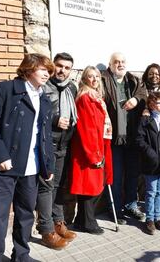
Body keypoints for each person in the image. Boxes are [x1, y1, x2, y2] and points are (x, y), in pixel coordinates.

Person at [0, 54, 55, 262]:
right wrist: (0, 155)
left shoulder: (45, 99)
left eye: (49, 70)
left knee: (26, 215)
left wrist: (48, 165)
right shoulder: (6, 89)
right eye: (43, 69)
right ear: (29, 69)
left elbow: (45, 136)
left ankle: (21, 255)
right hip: (4, 165)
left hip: (32, 167)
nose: (47, 73)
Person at [36, 52, 77, 250]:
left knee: (59, 185)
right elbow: (36, 111)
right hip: (47, 144)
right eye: (59, 66)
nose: (62, 70)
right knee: (46, 187)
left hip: (64, 144)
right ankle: (46, 230)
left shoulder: (72, 87)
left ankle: (58, 222)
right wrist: (54, 120)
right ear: (53, 66)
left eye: (67, 67)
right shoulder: (44, 86)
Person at [101, 52, 147, 224]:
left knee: (133, 174)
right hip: (113, 137)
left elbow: (143, 94)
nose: (120, 64)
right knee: (115, 175)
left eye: (123, 61)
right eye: (116, 62)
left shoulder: (133, 80)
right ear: (110, 64)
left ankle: (131, 204)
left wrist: (136, 99)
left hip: (132, 135)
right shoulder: (103, 79)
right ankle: (115, 208)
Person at [70, 66, 113, 234]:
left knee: (94, 185)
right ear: (84, 79)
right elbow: (87, 128)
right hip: (89, 150)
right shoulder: (85, 98)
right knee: (90, 188)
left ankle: (81, 220)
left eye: (97, 76)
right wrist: (94, 154)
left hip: (98, 146)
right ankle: (89, 222)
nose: (94, 79)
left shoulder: (96, 97)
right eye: (90, 76)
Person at [136, 92, 160, 235]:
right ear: (151, 104)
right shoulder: (146, 120)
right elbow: (139, 140)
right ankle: (149, 219)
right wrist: (151, 154)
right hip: (150, 163)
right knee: (150, 192)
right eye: (158, 103)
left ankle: (158, 217)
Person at [141, 63, 160, 213]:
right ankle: (150, 216)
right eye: (151, 73)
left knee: (159, 188)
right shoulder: (142, 89)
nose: (154, 76)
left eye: (157, 74)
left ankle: (159, 210)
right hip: (150, 141)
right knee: (151, 189)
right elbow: (140, 138)